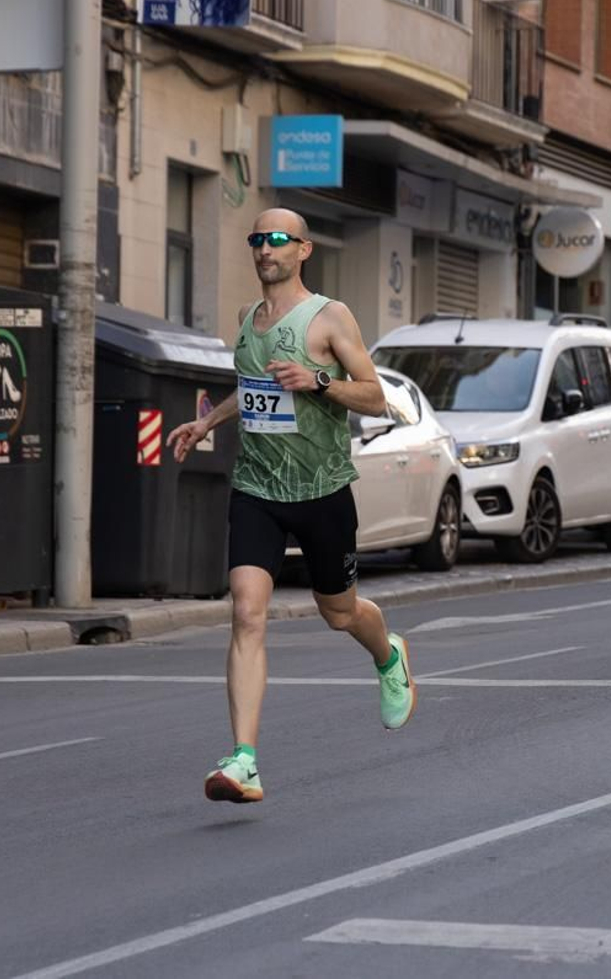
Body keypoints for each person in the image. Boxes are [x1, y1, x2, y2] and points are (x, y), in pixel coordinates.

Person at [166, 208, 416, 804]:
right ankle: (244, 760)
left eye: (277, 239)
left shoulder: (330, 317)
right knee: (247, 613)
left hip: (323, 490)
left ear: (303, 250)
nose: (264, 248)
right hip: (257, 487)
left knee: (340, 612)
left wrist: (319, 381)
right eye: (257, 238)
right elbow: (254, 389)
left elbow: (378, 397)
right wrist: (208, 422)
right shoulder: (248, 320)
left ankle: (389, 655)